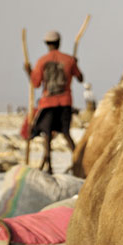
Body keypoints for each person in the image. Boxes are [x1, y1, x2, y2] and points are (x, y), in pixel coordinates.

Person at [24, 30, 84, 173]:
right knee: (66, 133)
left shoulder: (42, 61)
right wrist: (75, 63)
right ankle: (79, 163)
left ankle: (49, 167)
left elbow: (36, 83)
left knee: (47, 135)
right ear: (59, 43)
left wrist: (28, 72)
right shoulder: (69, 60)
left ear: (47, 44)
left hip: (48, 103)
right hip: (65, 102)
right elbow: (81, 78)